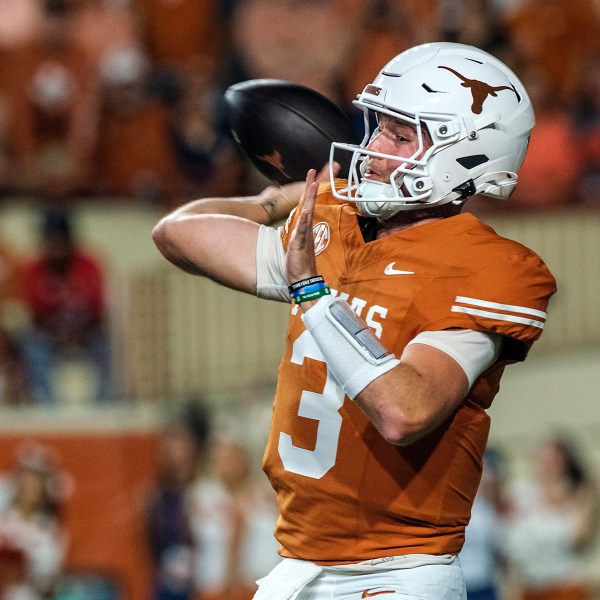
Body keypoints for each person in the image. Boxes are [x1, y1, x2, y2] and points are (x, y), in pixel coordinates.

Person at [152, 42, 557, 600]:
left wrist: (314, 293)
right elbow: (176, 234)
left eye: (398, 134)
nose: (372, 148)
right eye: (377, 128)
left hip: (396, 574)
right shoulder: (339, 224)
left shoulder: (488, 267)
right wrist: (277, 201)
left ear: (463, 154)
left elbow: (404, 410)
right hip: (296, 564)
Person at [18, 209, 113, 404]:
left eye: (59, 242)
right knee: (30, 344)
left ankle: (104, 404)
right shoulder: (34, 268)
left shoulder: (89, 265)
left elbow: (98, 312)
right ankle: (46, 406)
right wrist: (57, 334)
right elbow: (34, 316)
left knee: (105, 344)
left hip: (85, 333)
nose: (55, 249)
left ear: (70, 242)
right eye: (50, 242)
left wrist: (77, 334)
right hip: (49, 335)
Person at [502, 434, 598, 600]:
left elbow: (580, 539)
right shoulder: (522, 493)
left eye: (553, 459)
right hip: (529, 587)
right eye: (542, 458)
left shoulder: (578, 495)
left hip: (565, 586)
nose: (546, 464)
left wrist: (589, 496)